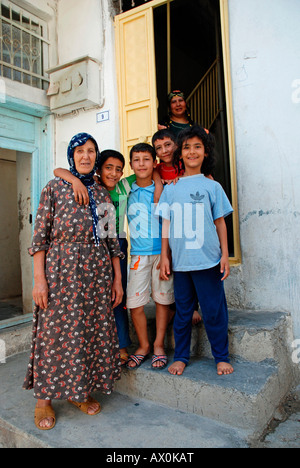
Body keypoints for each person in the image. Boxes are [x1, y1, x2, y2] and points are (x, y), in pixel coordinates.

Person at [23, 133, 124, 431]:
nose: (86, 156)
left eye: (91, 151)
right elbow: (39, 239)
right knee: (53, 334)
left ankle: (78, 392)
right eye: (80, 150)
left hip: (96, 275)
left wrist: (118, 280)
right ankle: (44, 399)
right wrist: (39, 280)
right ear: (72, 155)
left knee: (87, 332)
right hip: (60, 274)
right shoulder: (54, 188)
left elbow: (111, 241)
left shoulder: (103, 195)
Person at [54, 151, 163, 366]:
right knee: (95, 296)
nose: (114, 173)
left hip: (118, 244)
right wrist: (76, 180)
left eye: (118, 169)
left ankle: (122, 345)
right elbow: (58, 171)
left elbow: (152, 171)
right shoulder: (92, 186)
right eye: (108, 168)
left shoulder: (123, 186)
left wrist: (158, 184)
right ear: (98, 169)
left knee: (117, 294)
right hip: (92, 246)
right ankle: (97, 346)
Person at [157, 125, 234, 377]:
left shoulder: (213, 187)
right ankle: (180, 356)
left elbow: (220, 222)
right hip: (180, 263)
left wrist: (224, 255)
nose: (192, 152)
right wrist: (164, 255)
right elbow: (165, 224)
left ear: (205, 152)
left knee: (213, 312)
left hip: (208, 261)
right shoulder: (170, 188)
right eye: (187, 147)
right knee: (182, 314)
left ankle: (221, 357)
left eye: (197, 147)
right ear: (180, 153)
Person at [126, 143, 175, 370]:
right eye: (136, 160)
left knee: (162, 300)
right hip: (138, 255)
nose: (141, 164)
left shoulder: (163, 187)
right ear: (131, 164)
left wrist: (158, 180)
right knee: (135, 303)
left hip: (161, 253)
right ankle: (143, 345)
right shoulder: (125, 187)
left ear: (153, 162)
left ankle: (158, 345)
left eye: (146, 159)